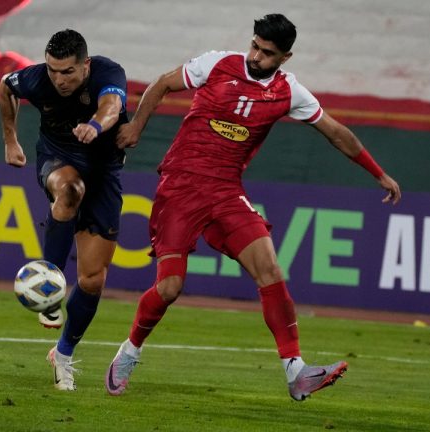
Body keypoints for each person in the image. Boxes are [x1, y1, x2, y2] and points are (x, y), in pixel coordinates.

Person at [104, 14, 401, 401]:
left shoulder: (289, 92)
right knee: (170, 287)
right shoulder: (217, 63)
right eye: (255, 46)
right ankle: (129, 352)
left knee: (270, 269)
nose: (256, 57)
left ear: (285, 57)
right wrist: (136, 128)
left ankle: (295, 370)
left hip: (227, 191)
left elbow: (336, 133)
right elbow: (162, 84)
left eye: (267, 53)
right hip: (181, 186)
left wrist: (379, 173)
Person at [0, 29, 129, 391]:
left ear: (85, 65)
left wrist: (95, 126)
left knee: (93, 280)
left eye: (68, 71)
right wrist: (10, 140)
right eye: (53, 70)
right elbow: (6, 87)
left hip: (103, 175)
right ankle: (49, 287)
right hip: (58, 159)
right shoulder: (37, 79)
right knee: (70, 190)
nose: (59, 79)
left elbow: (112, 107)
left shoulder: (108, 72)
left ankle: (64, 354)